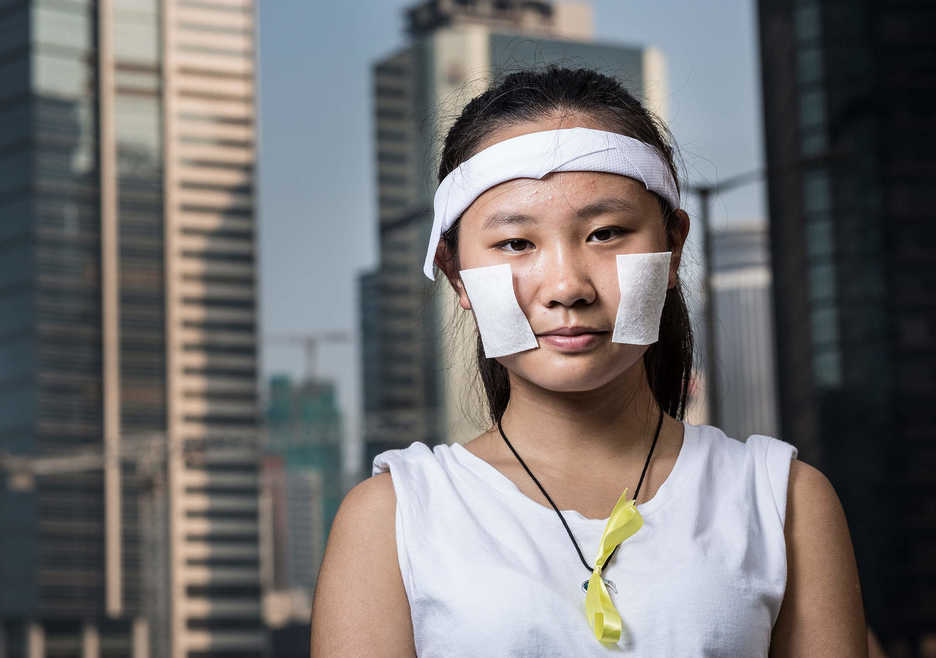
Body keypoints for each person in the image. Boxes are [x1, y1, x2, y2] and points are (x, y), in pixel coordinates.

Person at [310, 66, 867, 656]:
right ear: (457, 274)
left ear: (672, 246)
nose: (567, 286)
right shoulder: (394, 519)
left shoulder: (781, 501)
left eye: (605, 233)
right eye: (515, 243)